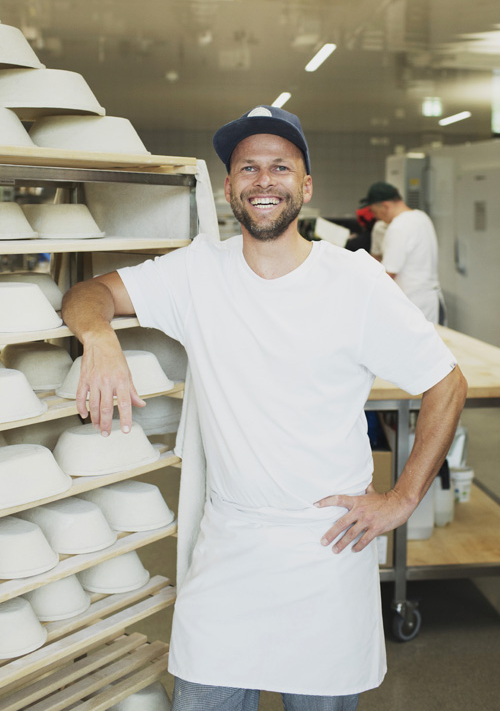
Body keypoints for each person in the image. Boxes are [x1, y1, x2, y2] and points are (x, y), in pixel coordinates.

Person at [62, 105, 467, 711]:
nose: (263, 179)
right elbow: (87, 293)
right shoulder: (197, 273)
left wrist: (403, 497)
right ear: (229, 188)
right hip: (233, 546)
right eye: (247, 167)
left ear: (305, 186)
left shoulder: (354, 282)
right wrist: (99, 339)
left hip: (328, 550)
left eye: (281, 166)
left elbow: (446, 382)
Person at [360, 181, 443, 323]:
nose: (376, 217)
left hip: (411, 300)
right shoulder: (421, 217)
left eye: (375, 212)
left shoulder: (398, 227)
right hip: (428, 298)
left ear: (385, 206)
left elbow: (388, 274)